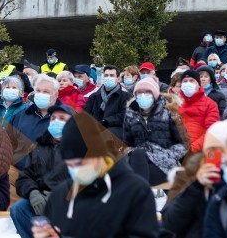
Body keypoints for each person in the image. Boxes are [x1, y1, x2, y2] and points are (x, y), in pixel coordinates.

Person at [33, 113, 159, 238]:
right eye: (70, 165)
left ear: (99, 155)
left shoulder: (135, 191)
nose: (76, 170)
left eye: (80, 163)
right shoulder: (60, 196)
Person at [11, 104, 72, 238]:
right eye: (53, 118)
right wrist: (33, 193)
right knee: (19, 209)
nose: (56, 122)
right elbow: (25, 176)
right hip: (41, 201)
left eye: (62, 118)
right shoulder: (40, 147)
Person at [123, 76, 187, 185]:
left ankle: (138, 191)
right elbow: (126, 144)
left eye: (147, 92)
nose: (143, 95)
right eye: (140, 92)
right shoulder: (130, 114)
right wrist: (130, 152)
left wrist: (166, 156)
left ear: (154, 94)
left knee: (135, 176)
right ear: (135, 95)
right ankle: (140, 190)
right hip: (139, 161)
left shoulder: (170, 112)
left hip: (164, 164)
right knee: (138, 154)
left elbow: (183, 144)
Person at [10, 75, 67, 168]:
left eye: (46, 92)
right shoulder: (21, 115)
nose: (41, 94)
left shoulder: (67, 117)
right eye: (38, 91)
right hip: (17, 168)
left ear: (56, 95)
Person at [177, 70, 220, 154]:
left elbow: (211, 131)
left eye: (191, 80)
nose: (188, 83)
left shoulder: (210, 104)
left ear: (199, 84)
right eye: (185, 81)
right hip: (177, 151)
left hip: (199, 152)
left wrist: (192, 149)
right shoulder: (175, 104)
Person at [83, 65, 131, 139]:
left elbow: (124, 115)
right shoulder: (94, 96)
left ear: (118, 79)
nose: (108, 78)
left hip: (115, 130)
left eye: (112, 75)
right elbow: (86, 114)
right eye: (106, 75)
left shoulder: (125, 96)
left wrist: (106, 121)